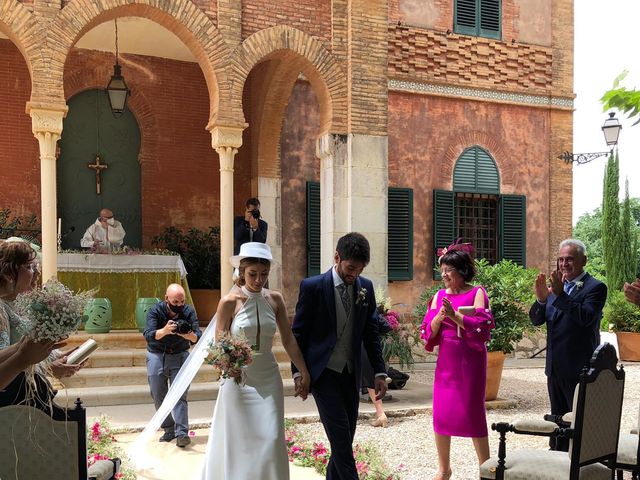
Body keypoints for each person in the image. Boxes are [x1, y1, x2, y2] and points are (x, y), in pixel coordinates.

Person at [201, 242, 310, 479]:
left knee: (271, 438)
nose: (258, 280)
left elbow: (289, 339)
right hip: (238, 379)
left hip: (269, 376)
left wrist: (303, 371)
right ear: (241, 272)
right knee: (239, 440)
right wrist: (231, 365)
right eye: (252, 274)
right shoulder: (229, 302)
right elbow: (220, 345)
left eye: (264, 274)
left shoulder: (275, 299)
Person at [292, 232, 387, 479]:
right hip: (323, 375)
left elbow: (371, 332)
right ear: (337, 257)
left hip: (351, 374)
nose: (354, 274)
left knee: (343, 440)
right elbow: (298, 334)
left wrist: (379, 371)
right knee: (343, 445)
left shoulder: (365, 287)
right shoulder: (312, 287)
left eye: (360, 269)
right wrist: (298, 373)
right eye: (350, 267)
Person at [420, 241, 494, 479]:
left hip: (471, 360)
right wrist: (440, 318)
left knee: (473, 412)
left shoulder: (478, 292)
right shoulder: (438, 296)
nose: (443, 275)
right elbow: (427, 332)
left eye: (448, 270)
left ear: (462, 271)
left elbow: (483, 328)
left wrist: (456, 315)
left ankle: (485, 467)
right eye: (441, 270)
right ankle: (444, 469)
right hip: (447, 361)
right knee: (441, 414)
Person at [530, 238, 607, 451]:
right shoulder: (556, 287)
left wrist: (561, 294)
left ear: (584, 260)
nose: (564, 264)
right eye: (561, 259)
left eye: (569, 259)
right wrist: (541, 300)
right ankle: (557, 460)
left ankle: (580, 465)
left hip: (579, 368)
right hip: (555, 369)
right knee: (557, 422)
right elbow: (537, 319)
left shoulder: (596, 287)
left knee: (579, 421)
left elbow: (585, 318)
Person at [0, 240, 79, 407]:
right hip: (14, 397)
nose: (36, 274)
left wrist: (55, 357)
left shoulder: (20, 303)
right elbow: (11, 356)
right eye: (29, 267)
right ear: (8, 273)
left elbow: (21, 350)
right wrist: (48, 368)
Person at [143, 283, 201, 448]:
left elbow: (197, 336)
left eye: (181, 301)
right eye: (175, 302)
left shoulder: (188, 311)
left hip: (180, 355)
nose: (179, 305)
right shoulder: (155, 311)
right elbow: (148, 335)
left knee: (179, 394)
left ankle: (182, 434)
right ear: (166, 298)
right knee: (158, 394)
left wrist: (188, 335)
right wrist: (165, 331)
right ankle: (169, 429)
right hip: (156, 354)